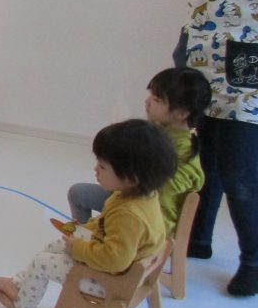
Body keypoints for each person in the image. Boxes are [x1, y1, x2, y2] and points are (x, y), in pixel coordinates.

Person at [0, 119, 176, 308]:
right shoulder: (139, 195)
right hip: (122, 271)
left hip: (113, 282)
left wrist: (78, 249)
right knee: (54, 246)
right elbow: (106, 223)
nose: (95, 169)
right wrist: (83, 229)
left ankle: (23, 306)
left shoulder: (129, 215)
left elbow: (115, 260)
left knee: (43, 262)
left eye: (102, 166)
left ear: (131, 177)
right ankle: (17, 284)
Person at [180, 0, 258, 296]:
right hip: (200, 52)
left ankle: (253, 259)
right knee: (199, 158)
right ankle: (197, 238)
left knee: (240, 171)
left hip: (250, 64)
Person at [68, 68, 209, 235]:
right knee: (78, 193)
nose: (147, 102)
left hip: (141, 217)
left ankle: (88, 240)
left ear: (182, 113)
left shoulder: (179, 158)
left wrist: (110, 230)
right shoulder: (155, 132)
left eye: (156, 99)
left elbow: (161, 217)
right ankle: (84, 236)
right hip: (127, 197)